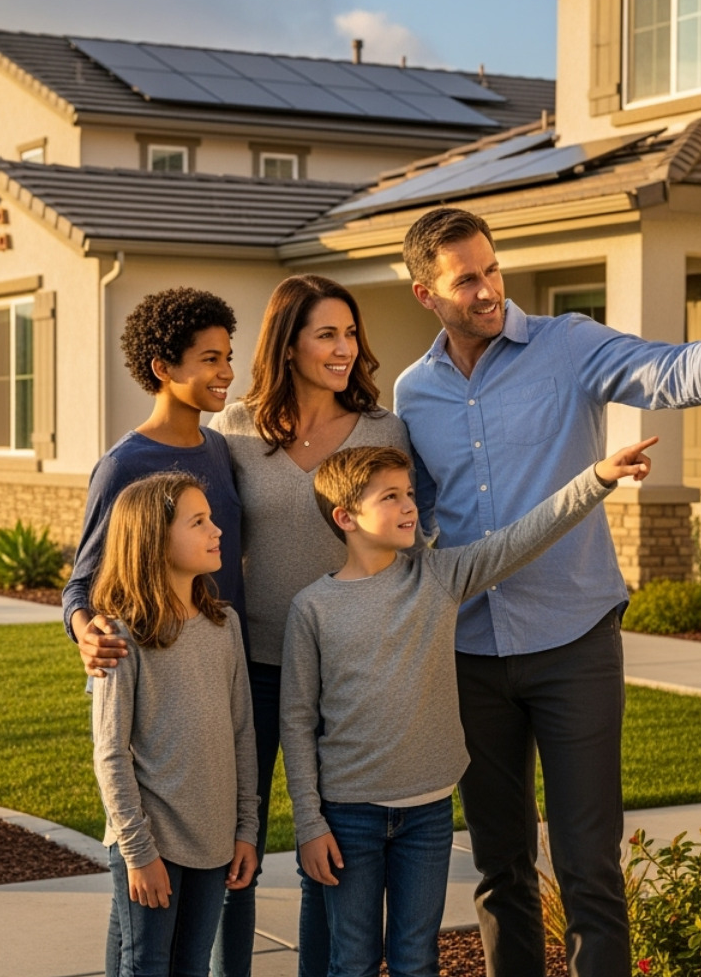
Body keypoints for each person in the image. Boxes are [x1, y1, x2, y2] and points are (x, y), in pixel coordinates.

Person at [391, 207, 701, 977]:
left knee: (588, 862)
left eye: (492, 268)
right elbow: (420, 517)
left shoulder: (567, 345)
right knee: (500, 866)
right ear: (425, 294)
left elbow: (671, 370)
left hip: (573, 644)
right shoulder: (414, 394)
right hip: (469, 653)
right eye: (466, 279)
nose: (488, 288)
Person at [279, 438, 655, 977]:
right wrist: (309, 824)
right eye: (390, 497)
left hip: (427, 815)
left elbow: (522, 538)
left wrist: (596, 478)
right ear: (346, 517)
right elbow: (296, 722)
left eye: (409, 493)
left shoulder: (437, 577)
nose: (410, 506)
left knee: (416, 959)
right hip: (348, 816)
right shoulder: (312, 608)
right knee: (353, 960)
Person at [206, 274, 410, 977]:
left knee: (330, 853)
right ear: (287, 344)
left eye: (351, 333)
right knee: (236, 849)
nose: (345, 348)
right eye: (327, 334)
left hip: (349, 676)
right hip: (254, 668)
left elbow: (410, 536)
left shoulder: (385, 430)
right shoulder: (233, 431)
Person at [63, 287, 247, 976]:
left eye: (228, 356)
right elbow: (81, 581)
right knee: (143, 933)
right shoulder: (125, 465)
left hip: (217, 659)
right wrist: (85, 630)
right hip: (149, 673)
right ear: (163, 367)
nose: (226, 372)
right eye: (209, 359)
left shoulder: (221, 450)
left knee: (195, 911)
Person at [90, 471, 259, 977]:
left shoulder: (224, 625)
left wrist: (246, 829)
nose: (217, 530)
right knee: (145, 965)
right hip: (152, 841)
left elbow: (242, 734)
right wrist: (138, 852)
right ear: (155, 539)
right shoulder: (122, 636)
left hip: (215, 841)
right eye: (198, 522)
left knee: (192, 967)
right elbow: (111, 753)